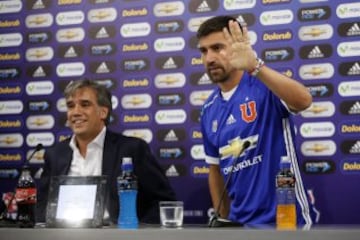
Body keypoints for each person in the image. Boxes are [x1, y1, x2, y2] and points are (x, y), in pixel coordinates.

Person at [197, 16, 316, 227]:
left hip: (285, 225)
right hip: (239, 226)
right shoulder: (208, 109)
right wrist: (222, 220)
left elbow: (304, 100)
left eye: (217, 48)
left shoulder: (264, 85)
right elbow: (215, 170)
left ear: (236, 47)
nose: (209, 58)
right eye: (204, 51)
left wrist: (254, 66)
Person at [36, 79, 176, 224]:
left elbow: (163, 201)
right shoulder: (56, 154)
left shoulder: (131, 149)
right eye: (71, 106)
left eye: (85, 104)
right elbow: (42, 206)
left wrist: (134, 232)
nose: (76, 112)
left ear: (103, 112)